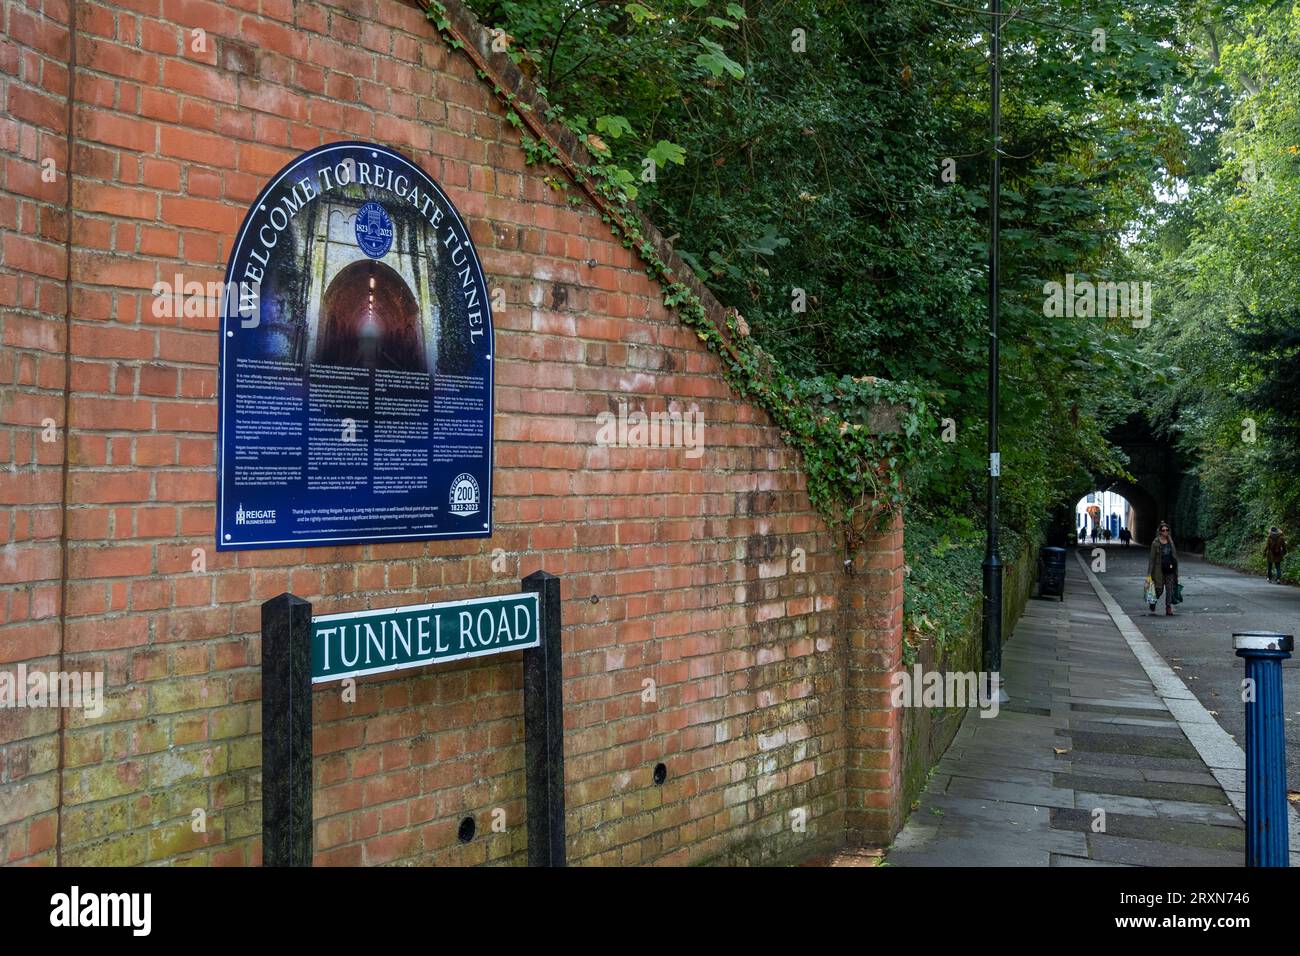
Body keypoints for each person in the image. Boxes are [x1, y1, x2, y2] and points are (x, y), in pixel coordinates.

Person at [1147, 522, 1179, 616]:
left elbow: (1175, 556)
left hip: (1170, 569)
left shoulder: (1170, 542)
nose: (1165, 532)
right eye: (1163, 530)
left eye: (1167, 530)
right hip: (1159, 569)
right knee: (1159, 589)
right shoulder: (1155, 543)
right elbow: (1151, 559)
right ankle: (1153, 602)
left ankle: (1168, 607)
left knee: (1169, 589)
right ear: (1160, 532)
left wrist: (1176, 570)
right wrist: (1149, 574)